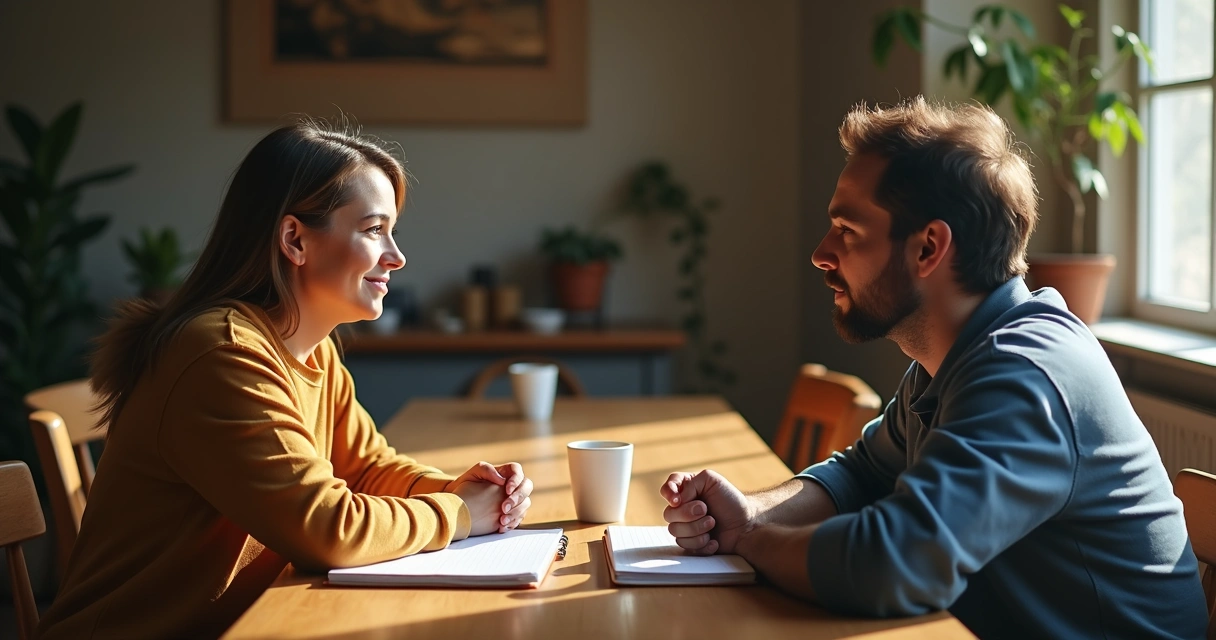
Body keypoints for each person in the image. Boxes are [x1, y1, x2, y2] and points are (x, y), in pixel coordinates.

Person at [659, 97, 1209, 639]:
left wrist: (752, 542)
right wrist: (753, 514)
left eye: (847, 230)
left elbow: (893, 563)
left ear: (928, 248)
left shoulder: (1025, 374)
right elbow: (862, 473)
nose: (821, 253)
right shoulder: (956, 358)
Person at [37, 120, 534, 639]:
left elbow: (365, 467)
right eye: (372, 229)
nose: (397, 256)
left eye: (393, 231)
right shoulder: (222, 355)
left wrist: (460, 491)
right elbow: (326, 528)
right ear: (294, 239)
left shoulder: (311, 349)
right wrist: (455, 512)